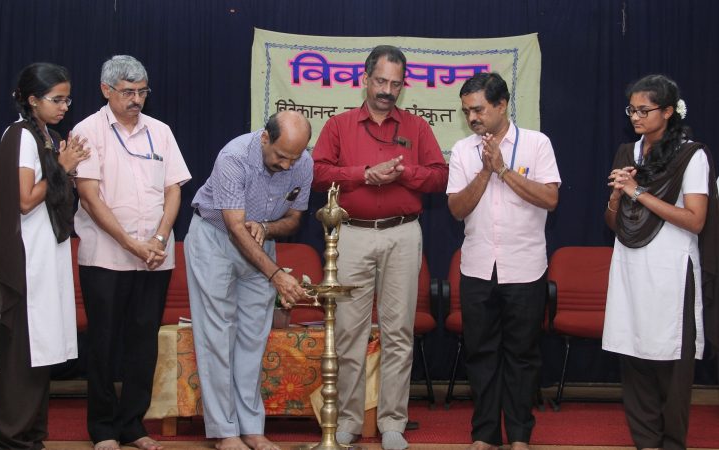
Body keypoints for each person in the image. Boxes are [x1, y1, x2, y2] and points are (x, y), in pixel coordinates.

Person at [312, 45, 448, 450]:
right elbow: (316, 173)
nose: (388, 90)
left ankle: (392, 422)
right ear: (365, 79)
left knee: (398, 332)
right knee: (349, 333)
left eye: (396, 83)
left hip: (402, 234)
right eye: (381, 81)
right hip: (351, 234)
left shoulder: (417, 127)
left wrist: (405, 173)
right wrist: (365, 175)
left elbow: (440, 177)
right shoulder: (338, 125)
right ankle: (349, 420)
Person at [72, 55, 191, 450]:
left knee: (143, 344)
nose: (136, 99)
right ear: (106, 90)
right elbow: (89, 197)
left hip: (155, 258)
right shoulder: (87, 130)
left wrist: (160, 238)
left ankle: (133, 425)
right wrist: (131, 243)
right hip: (106, 258)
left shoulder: (161, 131)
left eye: (142, 91)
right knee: (104, 344)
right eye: (128, 92)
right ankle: (103, 429)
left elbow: (173, 189)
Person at [0, 62, 89, 449]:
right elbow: (24, 200)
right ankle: (13, 439)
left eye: (67, 99)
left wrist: (65, 169)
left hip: (45, 253)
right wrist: (62, 167)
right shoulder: (20, 135)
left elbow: (52, 194)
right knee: (21, 353)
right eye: (58, 100)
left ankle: (31, 437)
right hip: (25, 258)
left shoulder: (47, 136)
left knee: (39, 352)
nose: (65, 106)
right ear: (33, 100)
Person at [446, 72, 560, 450]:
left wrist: (504, 170)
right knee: (481, 354)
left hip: (525, 267)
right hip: (478, 267)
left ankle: (520, 435)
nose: (472, 118)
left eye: (478, 109)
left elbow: (550, 199)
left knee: (522, 356)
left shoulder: (537, 144)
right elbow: (457, 209)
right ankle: (485, 434)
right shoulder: (463, 150)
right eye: (466, 111)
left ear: (501, 105)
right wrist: (485, 170)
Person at [603, 74, 718, 450]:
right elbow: (613, 222)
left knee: (672, 364)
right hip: (630, 269)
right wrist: (617, 197)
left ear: (668, 112)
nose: (635, 117)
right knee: (634, 358)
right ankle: (646, 443)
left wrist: (638, 191)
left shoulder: (691, 155)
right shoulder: (628, 153)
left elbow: (695, 220)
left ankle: (671, 443)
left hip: (672, 271)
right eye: (631, 110)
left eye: (644, 110)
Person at [184, 110, 312, 450]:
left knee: (254, 338)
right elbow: (235, 227)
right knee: (217, 336)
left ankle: (252, 428)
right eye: (281, 156)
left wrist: (267, 228)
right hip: (215, 239)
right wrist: (276, 275)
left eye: (294, 158)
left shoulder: (303, 163)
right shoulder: (234, 157)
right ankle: (225, 432)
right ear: (265, 138)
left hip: (260, 242)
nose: (287, 165)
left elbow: (294, 219)